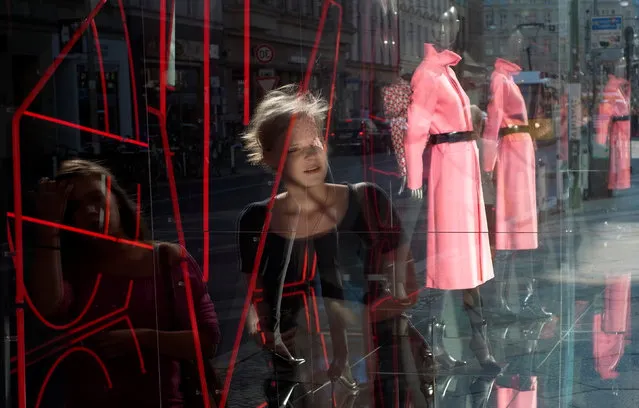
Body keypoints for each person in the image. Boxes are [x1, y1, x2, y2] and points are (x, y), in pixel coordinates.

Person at [236, 84, 422, 407]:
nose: (311, 155)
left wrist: (356, 322)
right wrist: (265, 333)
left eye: (315, 143)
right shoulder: (256, 221)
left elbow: (409, 289)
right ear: (269, 156)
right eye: (295, 149)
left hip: (375, 369)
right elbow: (255, 305)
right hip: (300, 374)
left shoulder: (369, 202)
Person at [29, 159, 220, 408]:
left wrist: (143, 339)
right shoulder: (68, 270)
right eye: (74, 207)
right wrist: (48, 231)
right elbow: (48, 308)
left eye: (96, 198)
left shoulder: (166, 260)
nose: (88, 211)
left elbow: (208, 341)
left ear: (115, 198)